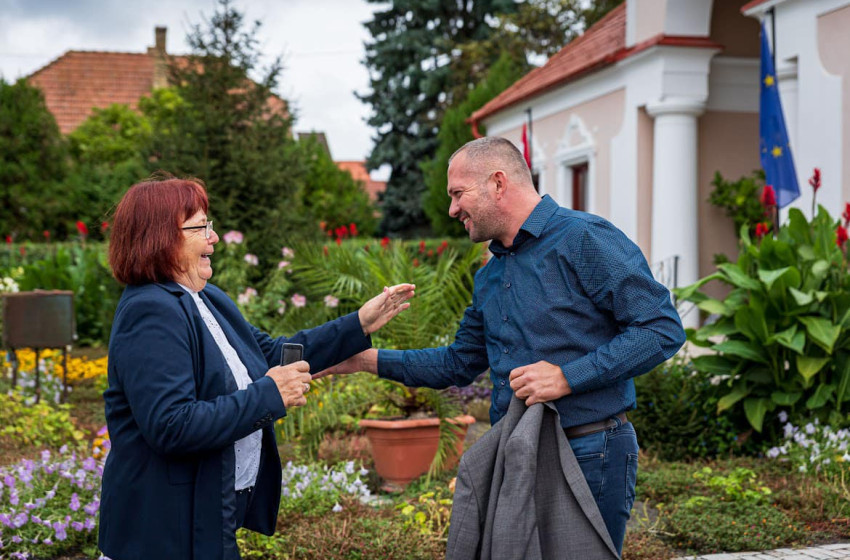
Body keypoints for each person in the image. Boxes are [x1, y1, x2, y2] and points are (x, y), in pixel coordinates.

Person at [315, 136, 686, 553]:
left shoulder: (585, 238)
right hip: (516, 450)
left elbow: (660, 329)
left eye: (458, 193)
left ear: (497, 183)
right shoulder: (490, 275)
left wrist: (568, 377)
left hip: (589, 449)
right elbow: (456, 364)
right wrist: (362, 360)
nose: (453, 209)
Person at [98, 175, 415, 560]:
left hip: (205, 519)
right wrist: (270, 394)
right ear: (161, 237)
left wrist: (358, 324)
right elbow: (171, 425)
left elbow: (270, 354)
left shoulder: (206, 297)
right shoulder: (150, 311)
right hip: (162, 532)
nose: (213, 238)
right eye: (201, 227)